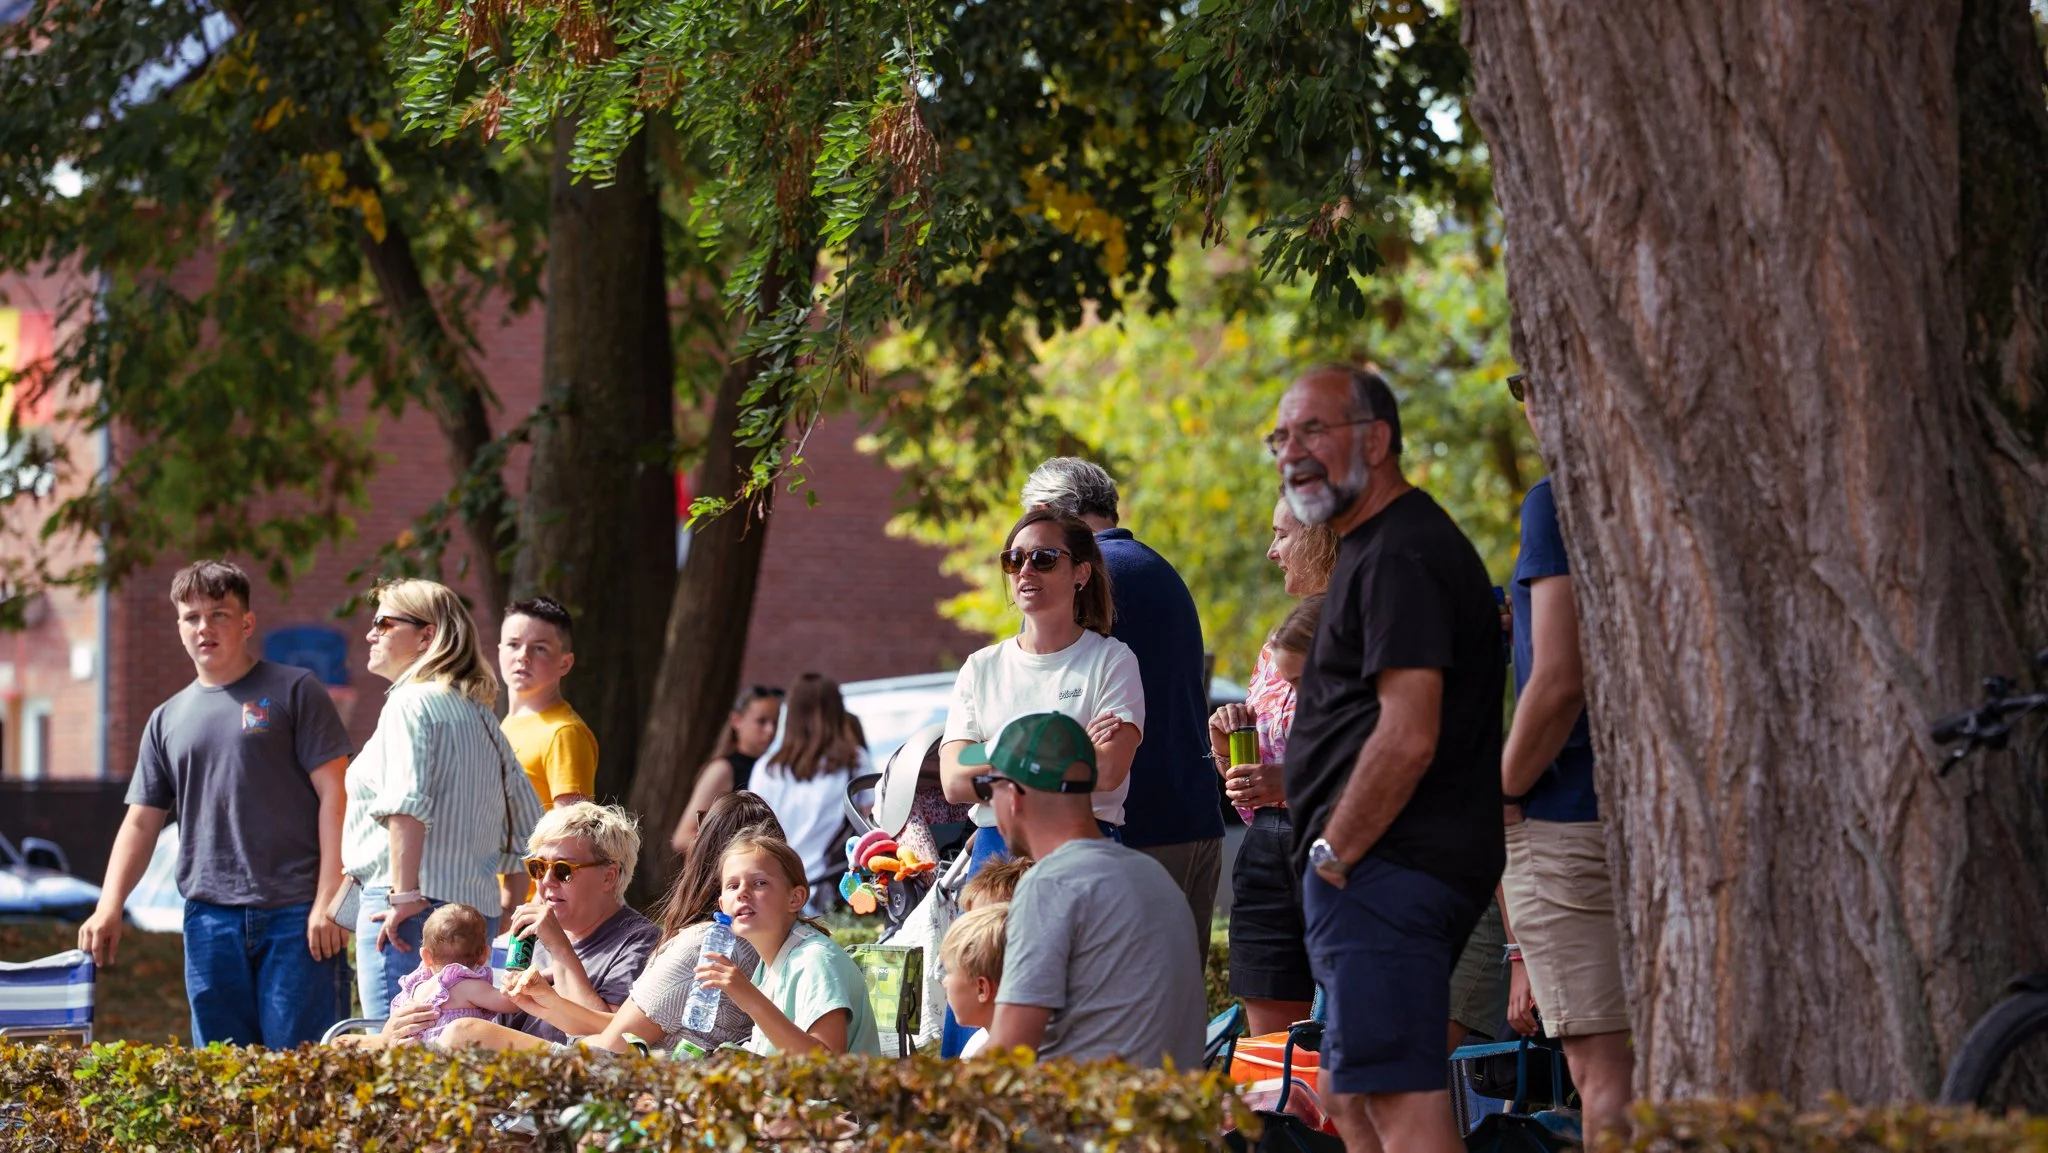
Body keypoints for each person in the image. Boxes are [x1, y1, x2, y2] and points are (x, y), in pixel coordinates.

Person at [1275, 365, 1506, 1153]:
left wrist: (1335, 851)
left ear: (1375, 440)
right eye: (1282, 437)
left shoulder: (1403, 552)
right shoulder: (1371, 548)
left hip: (1388, 867)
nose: (1292, 453)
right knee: (1350, 1089)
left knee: (1398, 1099)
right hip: (1376, 873)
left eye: (1314, 431)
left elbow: (1409, 732)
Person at [77, 560, 354, 1047]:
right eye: (192, 617)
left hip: (296, 914)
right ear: (180, 627)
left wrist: (329, 901)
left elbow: (337, 791)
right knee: (221, 1079)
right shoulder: (165, 719)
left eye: (220, 614)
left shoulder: (294, 689)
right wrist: (109, 906)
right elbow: (141, 823)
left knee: (303, 1078)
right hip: (208, 919)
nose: (205, 627)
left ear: (247, 623)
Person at [1499, 372, 1632, 1148]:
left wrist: (1501, 786)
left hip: (1566, 819)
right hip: (1652, 811)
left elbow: (1556, 680)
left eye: (1530, 379)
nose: (1526, 400)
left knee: (1603, 1082)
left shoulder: (1558, 498)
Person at [1021, 458, 1221, 935]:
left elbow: (1044, 705)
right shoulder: (1156, 567)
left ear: (1048, 513)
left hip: (1133, 830)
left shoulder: (1093, 577)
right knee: (1174, 1002)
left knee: (1118, 1004)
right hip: (1191, 817)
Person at [340, 577, 545, 1019]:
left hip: (410, 912)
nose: (371, 633)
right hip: (476, 912)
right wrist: (507, 902)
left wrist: (403, 896)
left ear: (427, 635)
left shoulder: (408, 703)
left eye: (384, 622)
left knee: (398, 1047)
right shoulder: (479, 713)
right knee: (450, 1063)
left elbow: (405, 805)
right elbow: (528, 819)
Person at [974, 712, 1205, 1069]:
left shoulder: (1050, 884)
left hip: (1092, 1120)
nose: (989, 803)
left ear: (1014, 795)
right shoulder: (1152, 873)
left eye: (988, 789)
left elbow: (1007, 1052)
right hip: (1168, 1114)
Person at [940, 508, 1145, 872]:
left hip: (1081, 846)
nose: (1025, 570)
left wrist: (991, 756)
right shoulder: (981, 666)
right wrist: (1071, 747)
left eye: (1044, 558)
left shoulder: (1112, 660)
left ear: (1081, 573)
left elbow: (1109, 769)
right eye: (1014, 559)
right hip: (994, 854)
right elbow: (955, 779)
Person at [1207, 500, 1338, 1037]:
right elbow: (1249, 786)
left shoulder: (1371, 630)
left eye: (1282, 534)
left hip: (1336, 838)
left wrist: (1292, 783)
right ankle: (1282, 1120)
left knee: (1350, 1033)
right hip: (1268, 842)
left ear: (1321, 537)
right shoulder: (1276, 644)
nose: (1272, 551)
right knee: (1272, 1046)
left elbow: (1396, 749)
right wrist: (1224, 746)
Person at [381, 802, 660, 1049]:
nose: (546, 881)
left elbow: (615, 1041)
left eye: (563, 870)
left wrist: (559, 948)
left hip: (561, 1086)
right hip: (493, 1074)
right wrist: (401, 1026)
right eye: (538, 867)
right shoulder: (524, 935)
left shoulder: (639, 941)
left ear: (608, 877)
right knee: (348, 1042)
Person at [691, 832, 883, 1056]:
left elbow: (828, 1065)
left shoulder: (816, 961)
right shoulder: (771, 962)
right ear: (723, 906)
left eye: (759, 883)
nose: (742, 893)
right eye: (733, 886)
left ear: (795, 899)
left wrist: (751, 999)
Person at [497, 595, 600, 913]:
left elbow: (571, 837)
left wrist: (537, 912)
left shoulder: (563, 732)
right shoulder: (505, 724)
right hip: (496, 902)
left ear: (565, 663)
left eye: (539, 648)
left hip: (532, 909)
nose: (522, 656)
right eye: (513, 644)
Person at [749, 673, 867, 915]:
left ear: (790, 714)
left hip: (776, 891)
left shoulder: (768, 769)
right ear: (837, 712)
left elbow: (754, 831)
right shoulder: (854, 762)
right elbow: (870, 824)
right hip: (832, 893)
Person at [672, 685, 785, 855]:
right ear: (736, 721)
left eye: (775, 723)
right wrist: (735, 853)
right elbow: (683, 836)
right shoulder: (722, 769)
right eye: (761, 721)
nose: (770, 731)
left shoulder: (773, 770)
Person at [384, 905, 521, 1044]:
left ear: (425, 956)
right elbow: (511, 1003)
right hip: (452, 1060)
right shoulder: (468, 986)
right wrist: (517, 974)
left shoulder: (415, 988)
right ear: (484, 955)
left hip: (417, 1056)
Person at [941, 903, 1010, 1059]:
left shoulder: (981, 1056)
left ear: (981, 988)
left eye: (949, 972)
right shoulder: (978, 1042)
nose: (944, 982)